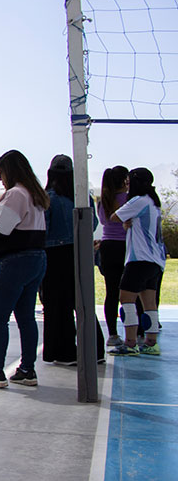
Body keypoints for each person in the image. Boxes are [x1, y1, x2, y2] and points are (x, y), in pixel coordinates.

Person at [0, 150, 49, 388]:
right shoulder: (35, 195)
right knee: (26, 316)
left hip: (14, 261)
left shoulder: (15, 194)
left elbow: (0, 229)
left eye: (0, 172)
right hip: (36, 259)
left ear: (10, 171)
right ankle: (27, 369)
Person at [41, 155, 105, 365]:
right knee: (83, 302)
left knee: (57, 305)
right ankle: (95, 349)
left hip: (54, 255)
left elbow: (44, 229)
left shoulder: (47, 198)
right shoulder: (83, 197)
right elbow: (92, 224)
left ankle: (64, 352)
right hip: (80, 252)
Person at [109, 167, 166, 356]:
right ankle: (151, 342)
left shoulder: (138, 201)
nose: (127, 186)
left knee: (126, 300)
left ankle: (130, 342)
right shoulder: (153, 202)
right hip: (155, 260)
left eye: (128, 182)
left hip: (139, 259)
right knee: (149, 303)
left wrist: (125, 221)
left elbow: (114, 217)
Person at [97, 165, 132, 347]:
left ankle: (112, 334)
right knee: (132, 291)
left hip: (108, 247)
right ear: (125, 181)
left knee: (111, 292)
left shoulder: (104, 200)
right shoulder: (129, 199)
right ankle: (135, 332)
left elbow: (104, 221)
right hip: (127, 246)